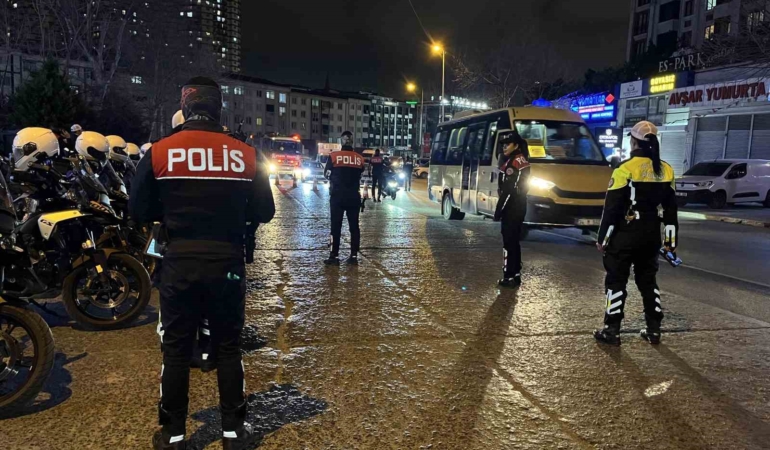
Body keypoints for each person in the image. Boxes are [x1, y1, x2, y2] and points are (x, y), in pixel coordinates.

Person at [130, 76, 275, 450]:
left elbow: (138, 209)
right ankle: (233, 433)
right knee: (228, 348)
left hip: (179, 261)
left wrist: (169, 211)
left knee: (176, 350)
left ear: (185, 106)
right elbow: (265, 211)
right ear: (218, 107)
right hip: (227, 262)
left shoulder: (161, 151)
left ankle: (174, 435)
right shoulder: (245, 153)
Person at [593, 121, 678, 346]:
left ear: (633, 141)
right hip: (651, 235)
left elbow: (612, 209)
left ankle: (612, 330)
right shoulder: (667, 169)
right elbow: (671, 212)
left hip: (625, 234)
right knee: (648, 281)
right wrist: (670, 243)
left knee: (616, 281)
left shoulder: (625, 169)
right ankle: (654, 329)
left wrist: (603, 239)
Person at [493, 131, 530, 288]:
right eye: (503, 145)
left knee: (508, 243)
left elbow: (509, 191)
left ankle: (508, 276)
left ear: (516, 145)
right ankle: (515, 274)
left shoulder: (513, 163)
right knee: (514, 242)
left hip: (512, 208)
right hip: (519, 206)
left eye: (507, 144)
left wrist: (499, 210)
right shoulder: (521, 160)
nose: (504, 147)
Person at [324, 130, 364, 266]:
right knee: (354, 227)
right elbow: (361, 172)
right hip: (354, 196)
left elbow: (326, 174)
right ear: (352, 141)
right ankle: (354, 256)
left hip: (337, 196)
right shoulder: (359, 158)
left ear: (341, 141)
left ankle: (334, 256)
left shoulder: (334, 156)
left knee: (335, 226)